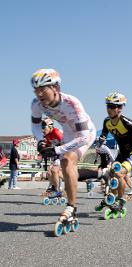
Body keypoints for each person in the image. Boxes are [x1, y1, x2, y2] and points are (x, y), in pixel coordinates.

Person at [31, 68, 96, 229]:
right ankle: (102, 174)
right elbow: (35, 125)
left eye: (42, 89)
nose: (39, 94)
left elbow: (83, 137)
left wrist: (57, 150)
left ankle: (71, 207)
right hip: (68, 134)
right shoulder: (37, 105)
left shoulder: (72, 103)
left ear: (56, 88)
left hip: (85, 133)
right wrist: (40, 141)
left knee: (68, 160)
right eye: (36, 90)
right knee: (64, 169)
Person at [40, 117, 64, 193]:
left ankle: (57, 189)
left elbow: (66, 144)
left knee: (54, 170)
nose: (42, 130)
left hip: (65, 152)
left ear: (50, 126)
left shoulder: (57, 132)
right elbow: (49, 145)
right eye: (41, 128)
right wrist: (45, 146)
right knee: (49, 173)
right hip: (57, 154)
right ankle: (56, 187)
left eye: (44, 127)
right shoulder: (46, 135)